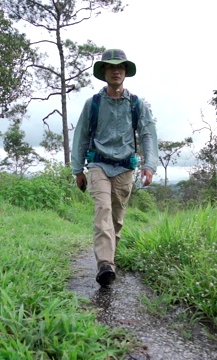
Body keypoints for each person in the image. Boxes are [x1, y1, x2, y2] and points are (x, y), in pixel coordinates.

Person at [71, 49, 158, 286]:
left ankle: (110, 260)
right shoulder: (94, 104)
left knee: (117, 218)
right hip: (98, 164)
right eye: (110, 67)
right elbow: (81, 136)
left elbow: (148, 134)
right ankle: (105, 264)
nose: (116, 70)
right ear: (104, 72)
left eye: (120, 67)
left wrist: (149, 165)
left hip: (125, 168)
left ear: (126, 72)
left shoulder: (137, 104)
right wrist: (78, 170)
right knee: (103, 211)